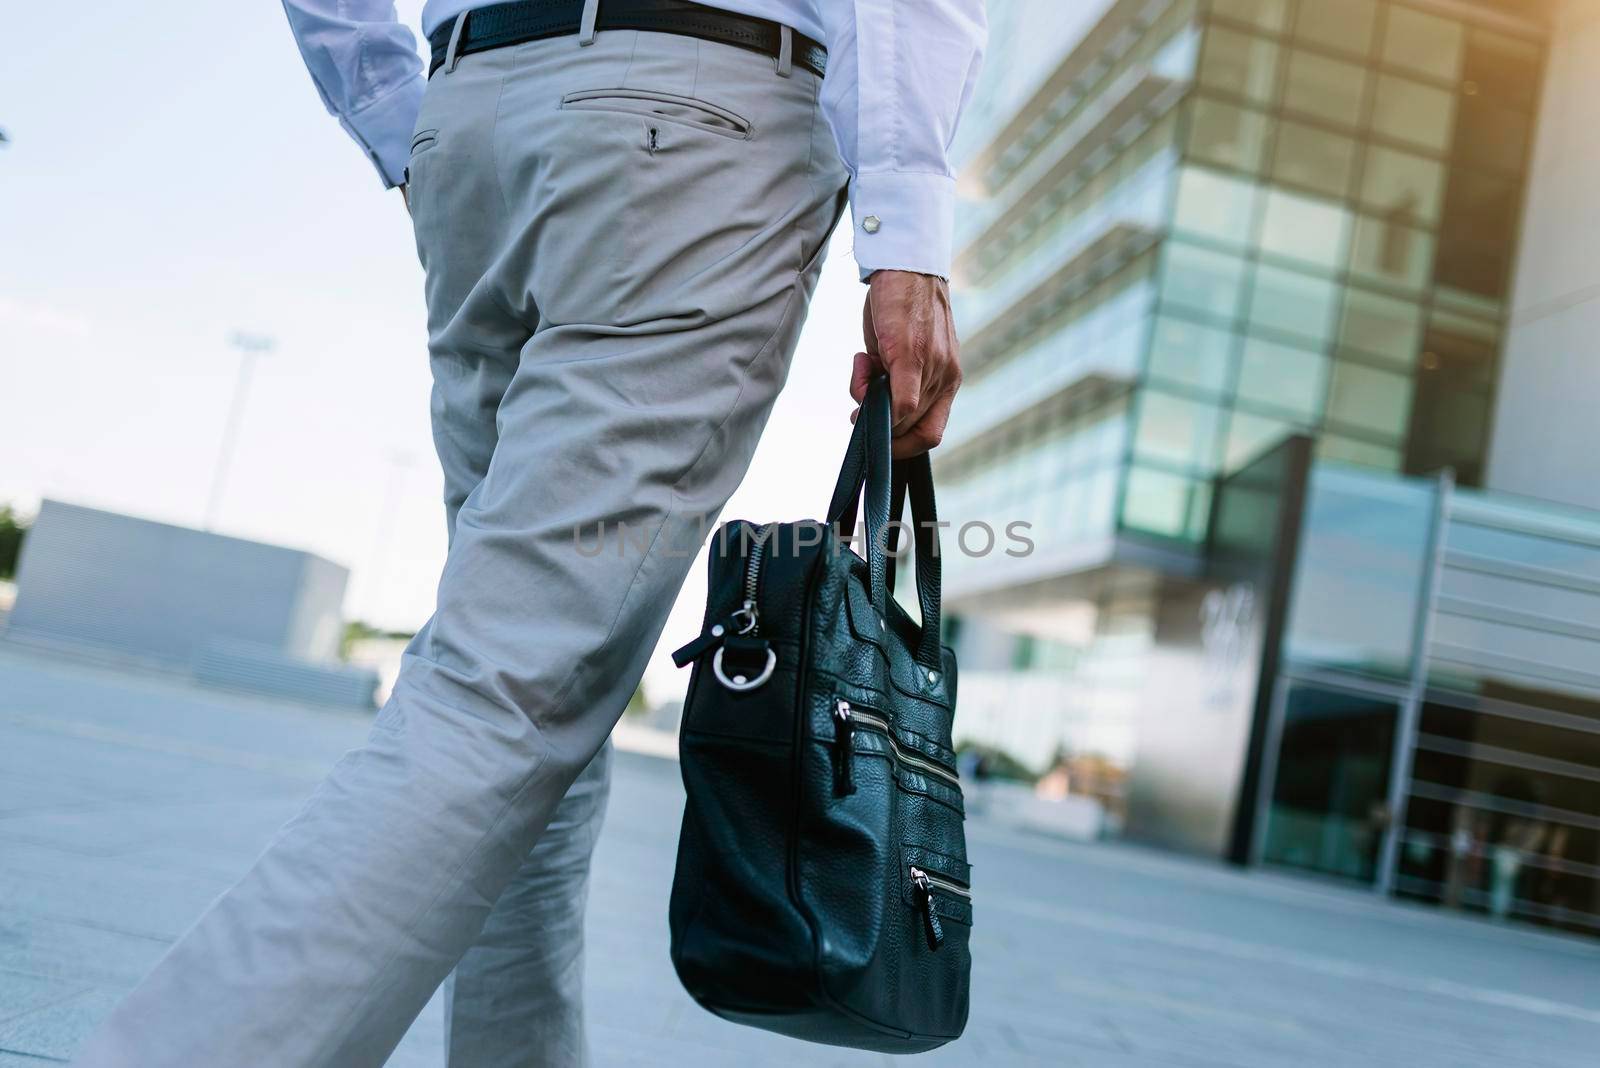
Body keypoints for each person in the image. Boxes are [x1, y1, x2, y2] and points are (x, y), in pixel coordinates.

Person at [73, 1, 984, 1065]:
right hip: (697, 113)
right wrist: (908, 240)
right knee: (509, 686)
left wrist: (391, 107)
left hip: (473, 116)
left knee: (537, 695)